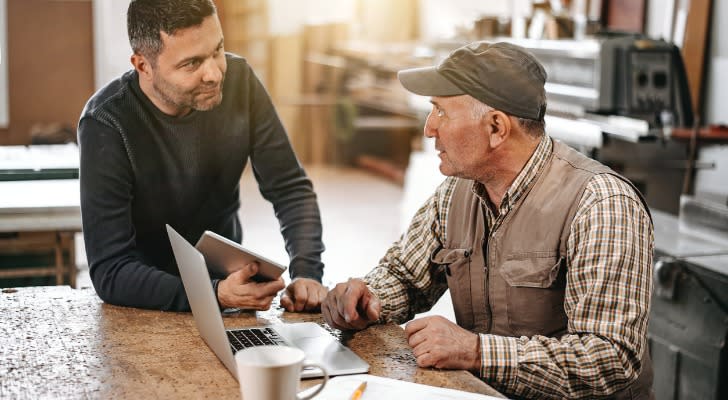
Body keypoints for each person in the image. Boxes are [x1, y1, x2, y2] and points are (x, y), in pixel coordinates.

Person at [322, 41, 654, 400]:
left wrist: (476, 352)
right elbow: (405, 275)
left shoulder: (601, 204)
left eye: (441, 112)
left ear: (496, 127)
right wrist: (365, 300)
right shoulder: (456, 192)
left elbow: (609, 358)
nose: (429, 128)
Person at [78, 0, 326, 313]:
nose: (214, 73)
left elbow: (290, 188)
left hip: (228, 292)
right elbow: (111, 271)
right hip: (145, 302)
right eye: (191, 64)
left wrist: (307, 272)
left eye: (217, 50)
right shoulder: (106, 123)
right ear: (143, 66)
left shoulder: (240, 81)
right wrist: (214, 294)